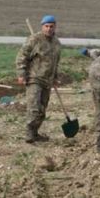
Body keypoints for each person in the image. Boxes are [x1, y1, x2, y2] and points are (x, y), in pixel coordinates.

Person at [16, 14, 61, 143]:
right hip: (34, 78)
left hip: (47, 81)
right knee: (34, 107)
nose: (49, 29)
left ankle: (35, 132)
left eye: (51, 26)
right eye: (46, 26)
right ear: (42, 27)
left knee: (42, 109)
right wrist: (21, 74)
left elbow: (55, 62)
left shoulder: (56, 43)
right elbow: (22, 56)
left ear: (55, 27)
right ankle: (29, 134)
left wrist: (55, 78)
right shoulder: (34, 39)